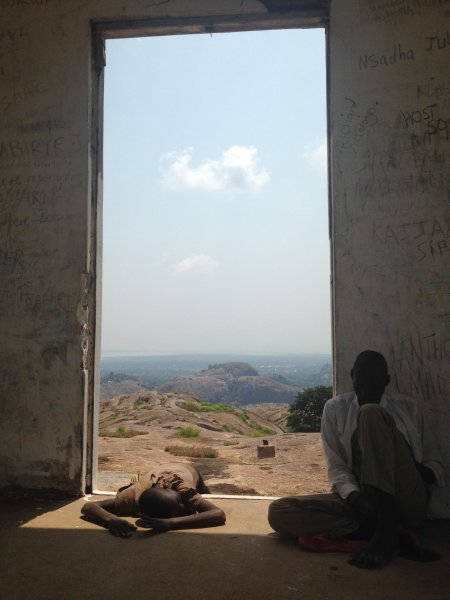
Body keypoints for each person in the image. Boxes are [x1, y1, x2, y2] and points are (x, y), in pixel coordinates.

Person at [268, 350, 444, 569]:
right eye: (360, 382)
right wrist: (356, 498)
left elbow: (435, 464)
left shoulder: (408, 408)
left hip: (406, 500)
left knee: (371, 412)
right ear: (352, 375)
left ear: (386, 381)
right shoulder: (336, 409)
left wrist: (402, 466)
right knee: (279, 512)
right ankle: (388, 531)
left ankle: (384, 531)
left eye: (374, 383)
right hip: (364, 501)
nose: (366, 390)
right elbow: (338, 468)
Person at [81, 461, 226, 537]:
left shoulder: (183, 490)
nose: (184, 506)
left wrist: (171, 523)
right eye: (179, 506)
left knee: (205, 492)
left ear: (169, 490)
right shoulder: (133, 497)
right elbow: (88, 507)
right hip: (161, 470)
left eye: (180, 502)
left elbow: (219, 514)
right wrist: (112, 520)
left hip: (186, 469)